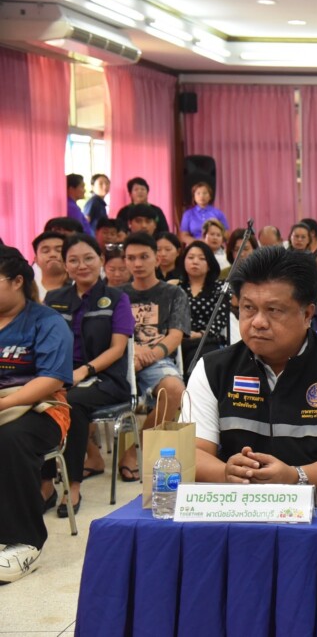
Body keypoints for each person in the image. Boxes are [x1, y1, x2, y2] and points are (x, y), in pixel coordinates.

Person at [185, 247, 317, 488]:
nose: (258, 322)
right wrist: (227, 473)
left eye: (274, 310)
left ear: (307, 314)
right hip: (239, 503)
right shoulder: (213, 369)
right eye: (248, 308)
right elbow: (192, 454)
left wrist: (295, 476)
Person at [41, 234, 134, 516]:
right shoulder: (54, 299)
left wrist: (85, 370)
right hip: (61, 377)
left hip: (108, 379)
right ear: (65, 265)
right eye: (73, 260)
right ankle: (45, 484)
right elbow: (44, 342)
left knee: (71, 402)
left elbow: (118, 349)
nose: (81, 265)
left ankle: (73, 486)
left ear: (101, 260)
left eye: (88, 258)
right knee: (40, 400)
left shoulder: (116, 299)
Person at [0, 246, 73, 584]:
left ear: (17, 281)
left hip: (42, 407)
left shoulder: (46, 321)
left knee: (10, 439)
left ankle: (24, 542)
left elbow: (52, 379)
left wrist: (3, 404)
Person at [119, 232, 189, 481]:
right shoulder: (117, 294)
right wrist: (133, 354)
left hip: (156, 360)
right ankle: (92, 456)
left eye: (144, 257)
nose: (137, 263)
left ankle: (135, 450)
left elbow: (175, 335)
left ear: (157, 259)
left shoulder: (174, 293)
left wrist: (148, 356)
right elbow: (110, 336)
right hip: (120, 357)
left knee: (175, 389)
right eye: (131, 258)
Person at [176, 241, 229, 378]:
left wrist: (200, 334)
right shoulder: (176, 289)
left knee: (198, 360)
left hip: (207, 340)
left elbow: (220, 318)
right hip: (178, 340)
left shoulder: (220, 288)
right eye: (190, 257)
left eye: (202, 258)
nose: (195, 262)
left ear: (210, 264)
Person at [32, 231, 68, 302]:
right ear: (36, 260)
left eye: (59, 250)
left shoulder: (79, 285)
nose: (53, 254)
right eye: (46, 251)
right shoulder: (30, 290)